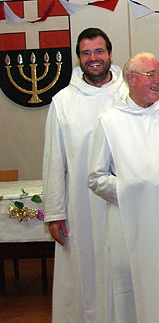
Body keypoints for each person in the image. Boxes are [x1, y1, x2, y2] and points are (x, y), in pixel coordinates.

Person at [88, 53, 159, 323]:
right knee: (136, 290)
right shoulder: (111, 121)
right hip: (132, 222)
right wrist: (131, 189)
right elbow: (96, 177)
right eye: (151, 75)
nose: (158, 81)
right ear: (131, 79)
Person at [43, 27, 125, 323]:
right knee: (85, 273)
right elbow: (54, 160)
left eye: (99, 51)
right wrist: (54, 212)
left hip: (123, 203)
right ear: (79, 58)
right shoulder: (64, 101)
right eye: (86, 53)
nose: (93, 58)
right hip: (82, 206)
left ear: (110, 54)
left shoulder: (128, 93)